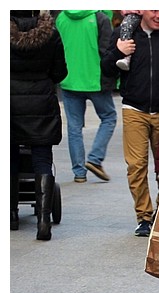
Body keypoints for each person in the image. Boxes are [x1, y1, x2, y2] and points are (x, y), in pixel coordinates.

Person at [102, 10, 159, 236]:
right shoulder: (125, 32)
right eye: (154, 9)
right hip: (134, 108)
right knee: (136, 166)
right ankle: (143, 216)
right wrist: (118, 51)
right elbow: (105, 68)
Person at [10, 10, 67, 240]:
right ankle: (43, 221)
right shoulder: (50, 34)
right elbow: (60, 72)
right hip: (42, 103)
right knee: (42, 158)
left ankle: (12, 214)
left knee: (10, 157)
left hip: (11, 102)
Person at [55, 9, 118, 184]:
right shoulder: (100, 18)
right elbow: (107, 50)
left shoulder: (61, 17)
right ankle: (95, 159)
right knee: (109, 117)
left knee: (74, 127)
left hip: (69, 80)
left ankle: (79, 172)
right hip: (94, 80)